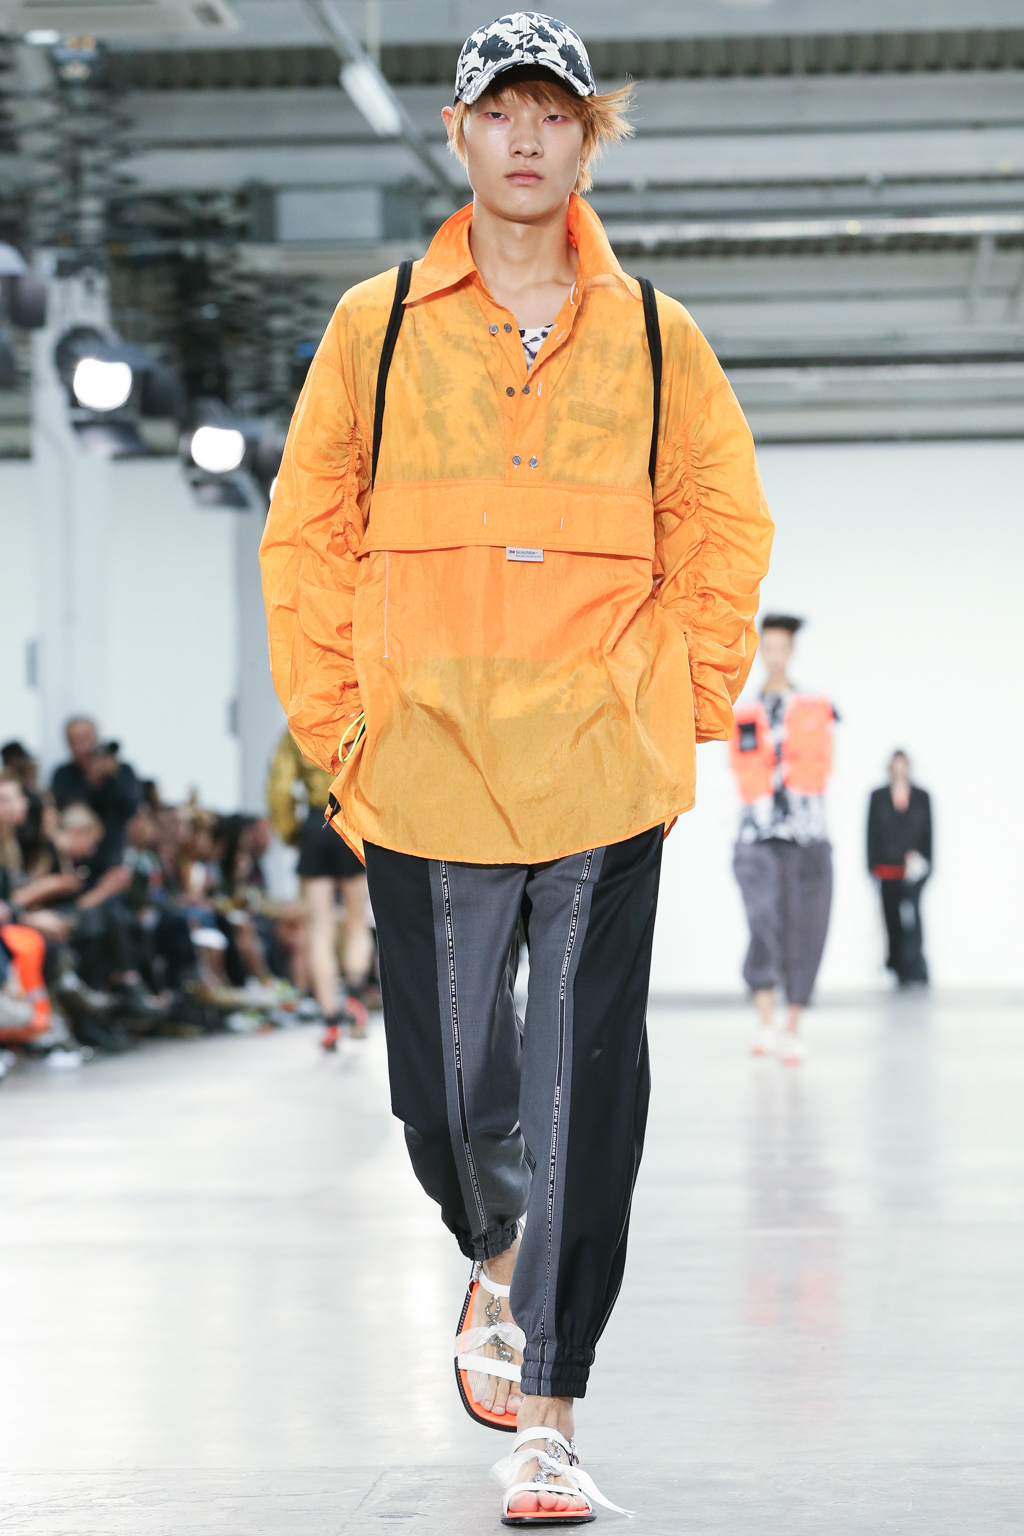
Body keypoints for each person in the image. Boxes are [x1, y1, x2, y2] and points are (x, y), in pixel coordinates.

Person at [260, 11, 772, 1523]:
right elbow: (307, 535)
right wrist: (339, 729)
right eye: (503, 111)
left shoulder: (659, 335)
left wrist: (682, 700)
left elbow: (720, 525)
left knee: (582, 1091)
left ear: (588, 137)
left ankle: (548, 1413)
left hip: (602, 768)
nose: (529, 136)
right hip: (424, 766)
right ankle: (496, 1245)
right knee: (445, 1100)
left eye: (556, 111)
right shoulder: (378, 328)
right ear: (460, 133)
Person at [730, 615, 836, 1065]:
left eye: (780, 647)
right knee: (762, 923)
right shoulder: (743, 708)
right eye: (767, 647)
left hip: (807, 837)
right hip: (755, 837)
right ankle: (765, 1022)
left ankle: (792, 1027)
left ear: (790, 650)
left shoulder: (814, 705)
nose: (773, 656)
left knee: (805, 930)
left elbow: (824, 769)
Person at [267, 731, 372, 1045]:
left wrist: (291, 832)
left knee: (319, 929)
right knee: (357, 922)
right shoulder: (360, 716)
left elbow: (279, 786)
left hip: (316, 824)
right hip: (353, 819)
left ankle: (330, 1021)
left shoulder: (300, 722)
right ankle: (354, 996)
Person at [868, 751, 932, 987]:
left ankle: (915, 967)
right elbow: (871, 833)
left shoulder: (922, 797)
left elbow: (929, 834)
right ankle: (896, 966)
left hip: (913, 871)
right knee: (891, 920)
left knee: (913, 921)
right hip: (887, 870)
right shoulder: (878, 797)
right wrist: (871, 866)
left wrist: (927, 865)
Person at [51, 717, 140, 869]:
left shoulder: (121, 771)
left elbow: (130, 807)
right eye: (74, 739)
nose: (80, 745)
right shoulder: (63, 774)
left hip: (114, 854)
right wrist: (92, 781)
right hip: (76, 858)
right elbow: (69, 811)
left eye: (85, 737)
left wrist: (111, 778)